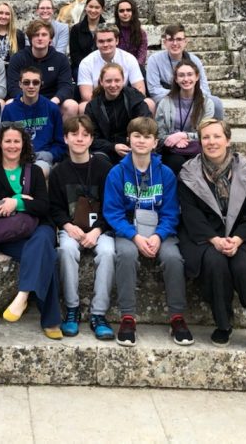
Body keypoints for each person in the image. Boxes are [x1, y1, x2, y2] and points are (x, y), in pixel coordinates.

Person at [178, 119, 246, 350]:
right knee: (215, 262)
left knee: (244, 265)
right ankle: (223, 325)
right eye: (206, 137)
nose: (211, 142)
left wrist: (238, 239)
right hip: (205, 237)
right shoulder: (188, 173)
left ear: (228, 140)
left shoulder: (245, 171)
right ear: (200, 141)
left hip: (240, 236)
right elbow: (190, 215)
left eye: (216, 136)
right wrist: (214, 240)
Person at [103, 116, 192, 348]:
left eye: (147, 137)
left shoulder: (166, 174)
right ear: (128, 139)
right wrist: (134, 236)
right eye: (136, 136)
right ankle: (128, 317)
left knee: (173, 257)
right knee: (126, 255)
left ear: (155, 143)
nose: (141, 141)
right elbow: (113, 213)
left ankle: (177, 317)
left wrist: (158, 236)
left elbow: (172, 213)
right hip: (128, 232)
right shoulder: (116, 173)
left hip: (160, 231)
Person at [0, 124, 63, 339]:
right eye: (8, 141)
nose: (12, 145)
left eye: (17, 141)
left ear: (23, 144)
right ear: (0, 143)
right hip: (10, 234)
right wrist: (22, 202)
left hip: (39, 227)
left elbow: (43, 206)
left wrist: (14, 203)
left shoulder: (33, 171)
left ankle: (23, 295)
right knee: (49, 256)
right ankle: (51, 321)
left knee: (44, 242)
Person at [50, 115, 115, 340]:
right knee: (66, 250)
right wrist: (68, 226)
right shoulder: (58, 171)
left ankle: (98, 314)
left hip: (100, 229)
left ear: (91, 139)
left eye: (85, 135)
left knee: (107, 252)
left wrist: (97, 230)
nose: (80, 139)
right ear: (65, 138)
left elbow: (112, 206)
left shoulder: (105, 168)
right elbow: (55, 208)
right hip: (71, 229)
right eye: (74, 134)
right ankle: (72, 309)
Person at [146, 23, 224, 119]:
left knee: (215, 102)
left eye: (179, 39)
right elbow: (154, 90)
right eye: (171, 39)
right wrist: (180, 95)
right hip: (167, 98)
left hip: (192, 97)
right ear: (165, 42)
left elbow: (205, 89)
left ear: (185, 42)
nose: (175, 43)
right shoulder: (154, 60)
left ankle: (216, 131)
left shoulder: (194, 60)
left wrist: (189, 96)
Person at [1, 66, 66, 177]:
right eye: (26, 82)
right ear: (20, 84)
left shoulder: (52, 108)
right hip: (15, 156)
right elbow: (3, 140)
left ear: (41, 84)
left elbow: (60, 143)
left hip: (42, 159)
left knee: (35, 172)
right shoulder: (9, 109)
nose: (31, 86)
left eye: (35, 82)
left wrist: (50, 155)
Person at [156, 59, 215, 175]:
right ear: (176, 79)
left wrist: (182, 135)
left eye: (190, 74)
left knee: (196, 163)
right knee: (176, 163)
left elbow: (206, 133)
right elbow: (159, 134)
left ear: (197, 77)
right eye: (181, 75)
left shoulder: (206, 103)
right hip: (171, 150)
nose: (186, 79)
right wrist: (174, 140)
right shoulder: (165, 102)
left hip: (196, 149)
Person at [84, 63, 151, 164]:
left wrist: (133, 144)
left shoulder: (134, 97)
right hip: (106, 150)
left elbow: (146, 124)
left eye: (117, 80)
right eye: (108, 81)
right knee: (99, 161)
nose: (113, 85)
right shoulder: (93, 106)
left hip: (133, 146)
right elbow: (91, 137)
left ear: (123, 80)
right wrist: (113, 147)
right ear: (101, 82)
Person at [6, 19, 76, 117]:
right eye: (36, 35)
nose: (40, 38)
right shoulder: (18, 58)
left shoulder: (61, 59)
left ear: (50, 39)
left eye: (44, 35)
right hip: (25, 99)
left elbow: (66, 86)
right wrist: (28, 101)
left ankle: (63, 132)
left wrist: (53, 101)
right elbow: (13, 86)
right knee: (9, 103)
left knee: (71, 105)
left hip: (52, 101)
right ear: (30, 39)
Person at [76, 26, 147, 112]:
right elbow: (86, 95)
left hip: (125, 102)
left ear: (117, 41)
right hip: (98, 105)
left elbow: (140, 90)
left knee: (148, 103)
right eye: (101, 41)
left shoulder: (129, 59)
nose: (105, 45)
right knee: (83, 106)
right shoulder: (86, 63)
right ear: (96, 42)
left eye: (109, 40)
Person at [68, 0, 106, 79]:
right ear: (85, 8)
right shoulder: (76, 29)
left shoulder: (107, 28)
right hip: (81, 66)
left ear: (102, 10)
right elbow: (74, 55)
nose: (93, 10)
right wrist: (88, 67)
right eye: (90, 7)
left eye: (97, 7)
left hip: (103, 66)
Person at [0, 1, 26, 67]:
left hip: (13, 73)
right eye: (1, 13)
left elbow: (23, 58)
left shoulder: (18, 35)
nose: (3, 16)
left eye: (7, 14)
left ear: (11, 16)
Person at [114, 0, 148, 72]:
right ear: (117, 13)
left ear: (133, 12)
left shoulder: (141, 33)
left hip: (136, 69)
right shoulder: (112, 32)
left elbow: (142, 57)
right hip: (115, 69)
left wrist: (132, 70)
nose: (125, 13)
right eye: (121, 11)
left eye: (128, 10)